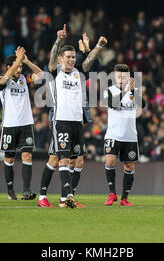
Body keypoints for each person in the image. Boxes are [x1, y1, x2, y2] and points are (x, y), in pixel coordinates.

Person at [40, 24, 107, 208]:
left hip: (77, 122)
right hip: (60, 121)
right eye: (68, 57)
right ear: (61, 59)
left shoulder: (78, 72)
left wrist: (98, 47)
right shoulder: (55, 72)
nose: (71, 60)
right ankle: (63, 197)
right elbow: (52, 58)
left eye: (72, 57)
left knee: (75, 159)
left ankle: (66, 198)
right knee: (60, 159)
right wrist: (59, 40)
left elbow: (89, 62)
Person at [0, 46, 43, 200]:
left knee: (27, 156)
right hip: (9, 125)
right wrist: (18, 59)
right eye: (17, 66)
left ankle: (26, 191)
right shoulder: (2, 80)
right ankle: (10, 190)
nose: (20, 68)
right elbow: (4, 79)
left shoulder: (25, 79)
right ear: (9, 67)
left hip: (25, 124)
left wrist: (27, 61)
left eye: (21, 66)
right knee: (9, 158)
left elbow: (42, 76)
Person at [103, 64, 143, 206]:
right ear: (114, 76)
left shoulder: (135, 90)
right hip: (113, 134)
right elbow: (113, 104)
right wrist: (126, 90)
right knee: (110, 161)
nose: (121, 79)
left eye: (124, 76)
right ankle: (112, 193)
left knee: (129, 166)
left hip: (130, 135)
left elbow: (142, 105)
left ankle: (124, 198)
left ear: (128, 77)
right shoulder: (109, 91)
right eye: (118, 76)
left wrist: (133, 91)